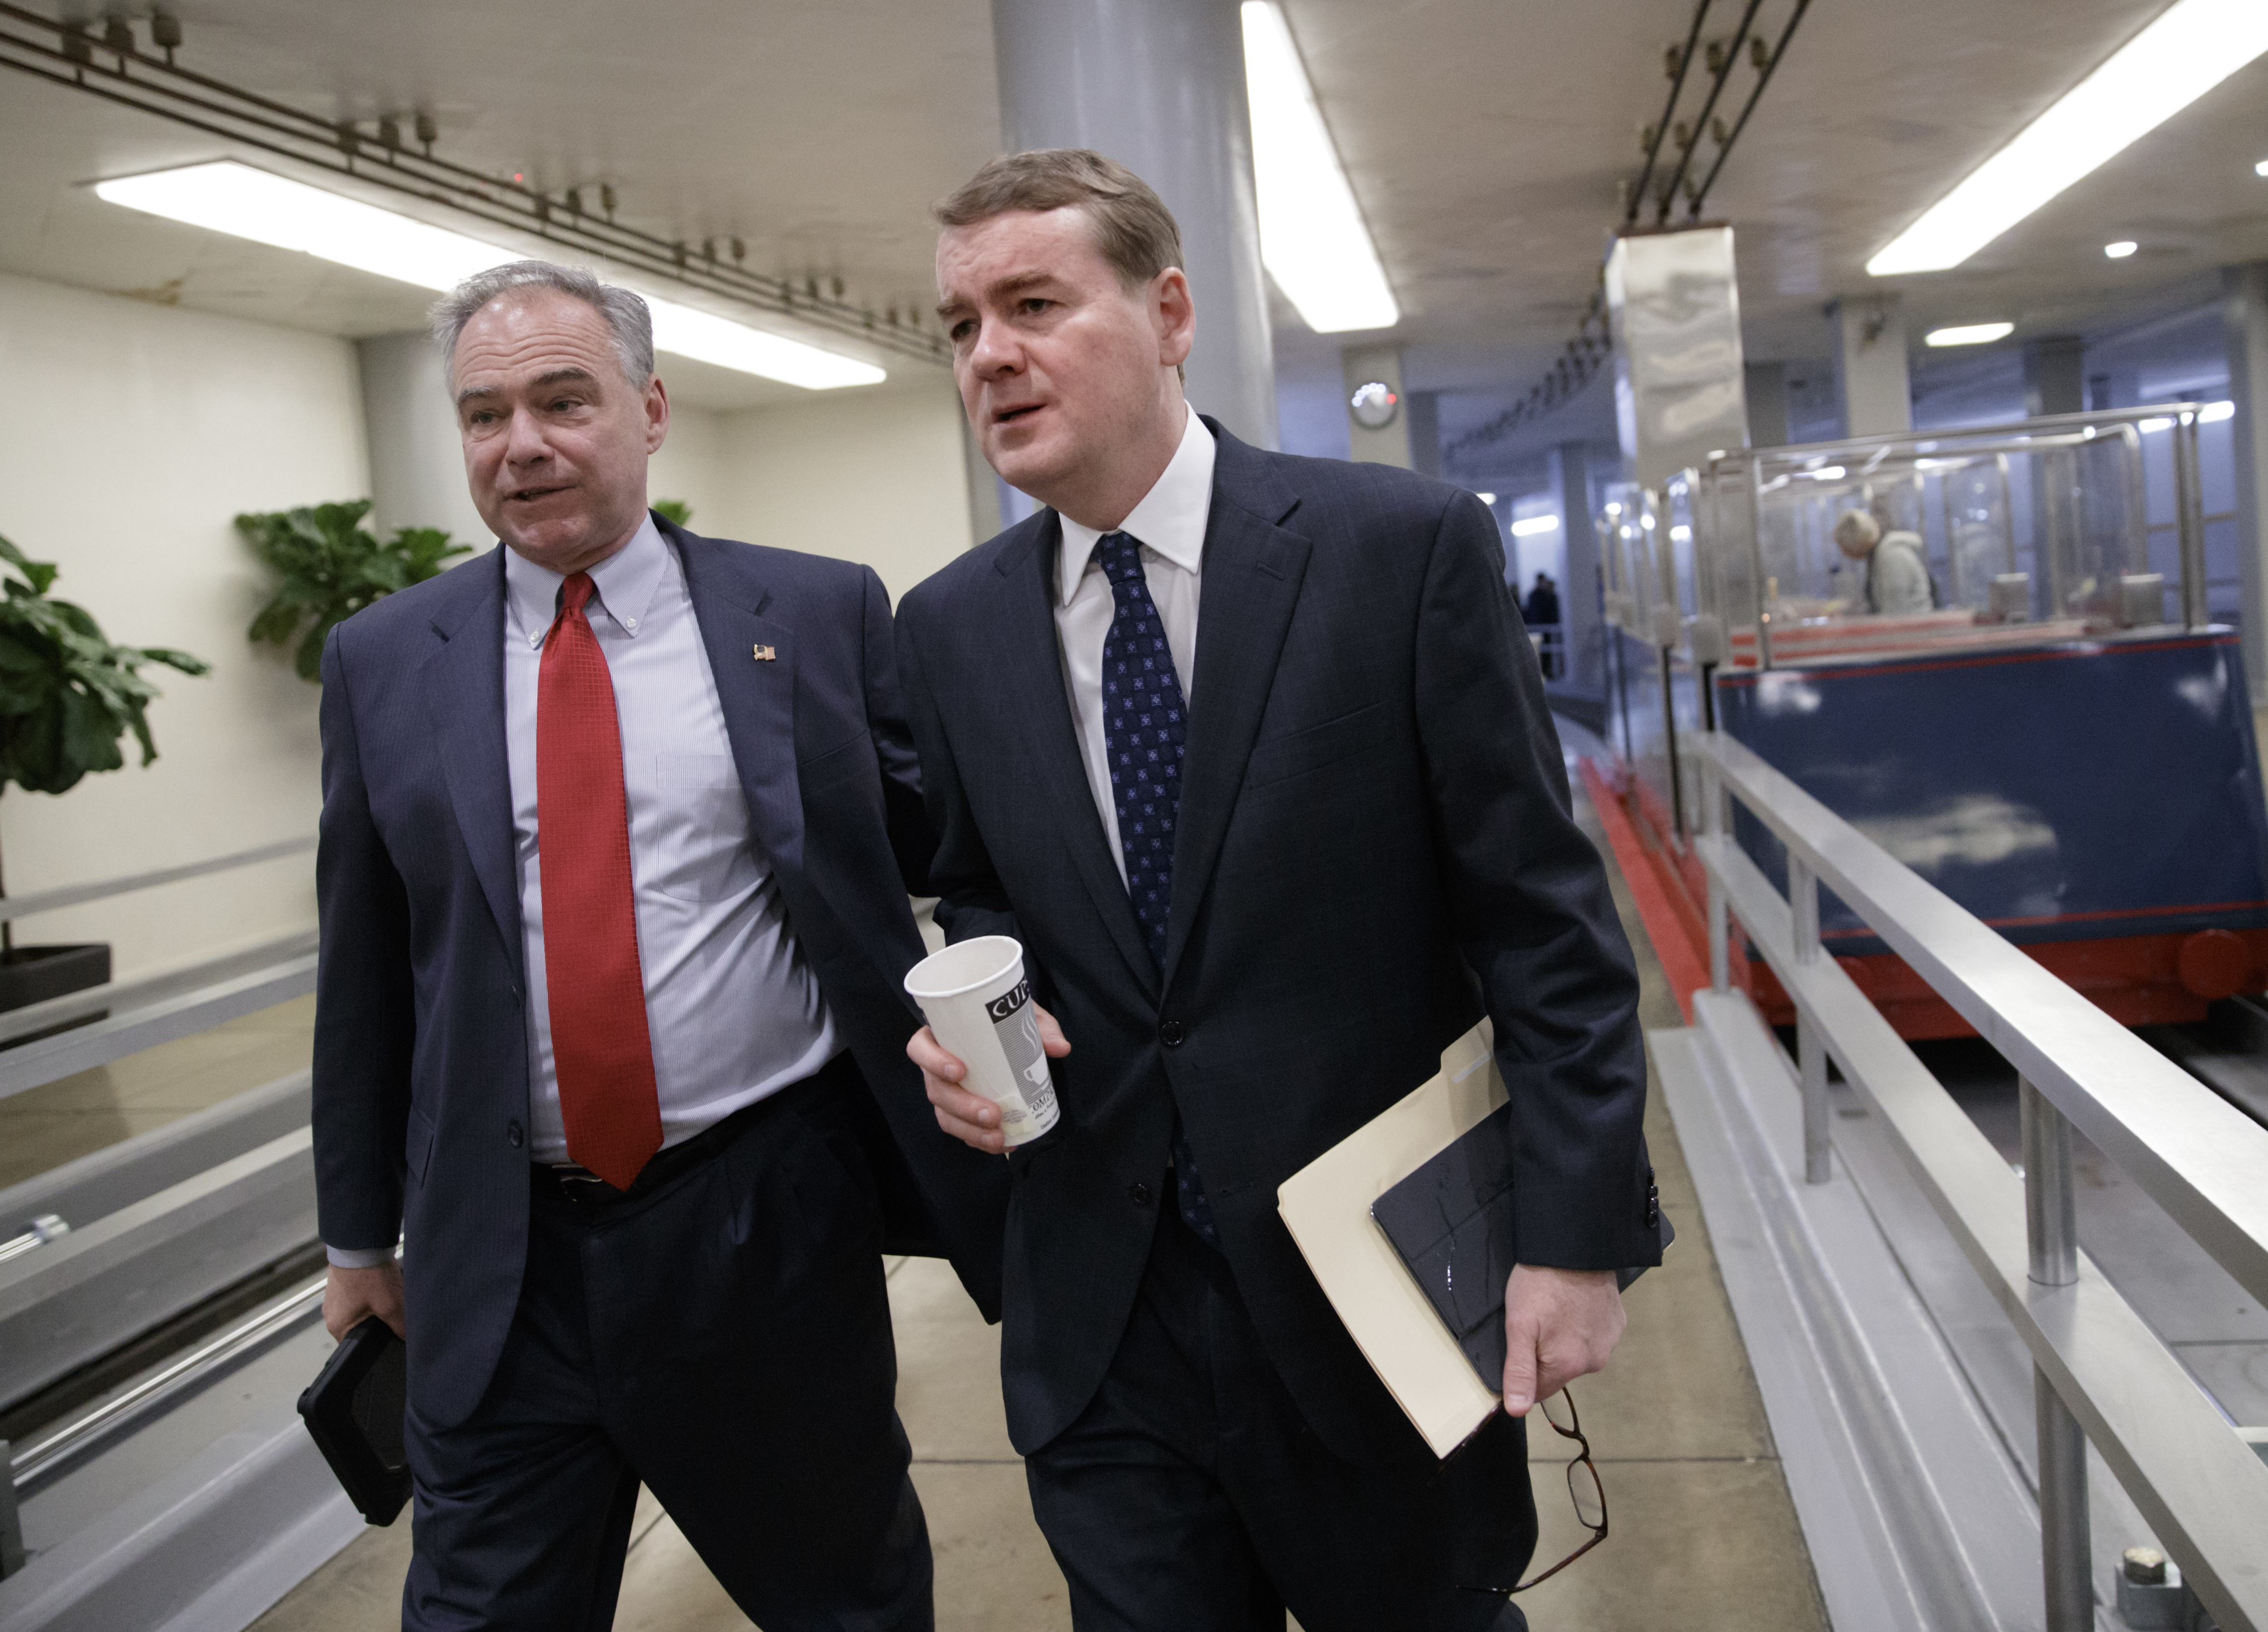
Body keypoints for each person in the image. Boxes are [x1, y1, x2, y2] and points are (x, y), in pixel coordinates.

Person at [896, 150, 1661, 1630]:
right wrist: (977, 1016)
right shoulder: (948, 627)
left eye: (1035, 304)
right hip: (1107, 1310)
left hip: (1376, 1284)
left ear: (1170, 313)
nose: (989, 354)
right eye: (961, 324)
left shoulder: (1396, 552)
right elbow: (977, 884)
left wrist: (1574, 1237)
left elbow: (1543, 926)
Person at [312, 259, 1005, 1631]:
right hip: (496, 1256)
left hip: (756, 1219)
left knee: (844, 1599)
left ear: (650, 408)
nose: (521, 444)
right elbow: (366, 965)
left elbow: (958, 853)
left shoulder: (810, 615)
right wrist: (354, 1235)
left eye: (563, 400)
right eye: (484, 414)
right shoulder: (383, 658)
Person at [1832, 507, 1935, 615]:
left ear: (1856, 543)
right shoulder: (1879, 556)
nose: (1845, 554)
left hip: (1912, 623)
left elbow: (1895, 610)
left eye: (1845, 548)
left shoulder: (1892, 556)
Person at [1522, 572, 1561, 676]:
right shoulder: (1542, 595)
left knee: (1543, 652)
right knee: (1543, 653)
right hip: (1542, 628)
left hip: (1539, 627)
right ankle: (1544, 673)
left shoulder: (1534, 595)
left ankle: (1543, 673)